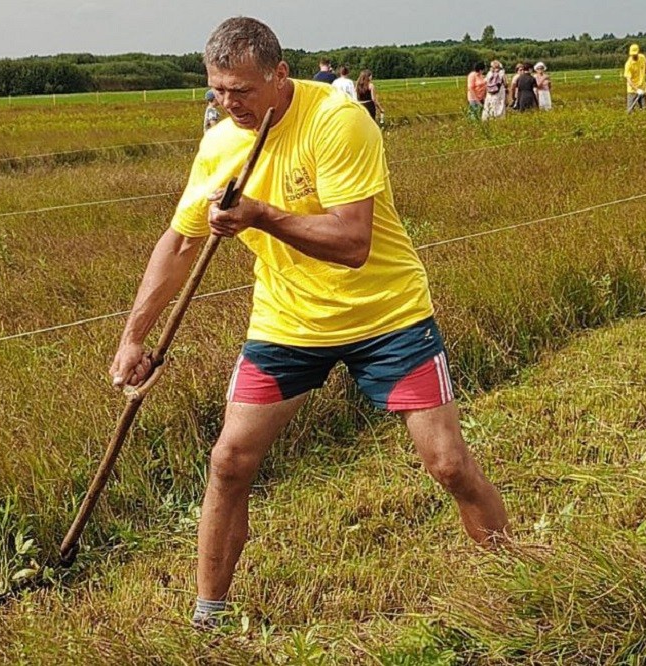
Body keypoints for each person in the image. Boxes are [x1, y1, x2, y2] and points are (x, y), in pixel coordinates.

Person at [109, 16, 510, 630]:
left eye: (240, 90)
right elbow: (180, 245)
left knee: (448, 463)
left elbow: (352, 241)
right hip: (286, 327)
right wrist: (134, 335)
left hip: (388, 318)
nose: (227, 103)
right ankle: (209, 617)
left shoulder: (338, 121)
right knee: (229, 462)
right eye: (216, 90)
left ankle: (514, 582)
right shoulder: (219, 143)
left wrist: (261, 215)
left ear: (279, 75)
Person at [624, 43, 646, 112]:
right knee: (630, 110)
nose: (634, 56)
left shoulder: (642, 58)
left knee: (644, 109)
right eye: (633, 54)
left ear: (638, 52)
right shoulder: (628, 64)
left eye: (635, 54)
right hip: (632, 90)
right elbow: (628, 79)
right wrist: (637, 89)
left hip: (643, 88)